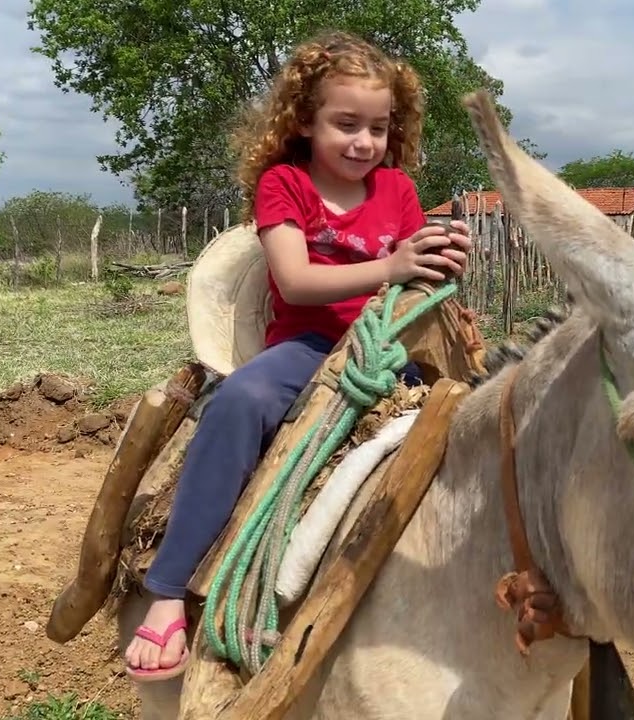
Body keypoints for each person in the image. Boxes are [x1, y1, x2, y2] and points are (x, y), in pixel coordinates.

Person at [123, 30, 472, 681]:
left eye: (378, 126)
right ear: (305, 120)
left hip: (386, 353)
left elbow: (414, 280)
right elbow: (296, 281)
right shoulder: (285, 184)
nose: (363, 142)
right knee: (240, 402)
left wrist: (439, 278)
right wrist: (391, 265)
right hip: (306, 350)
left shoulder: (396, 190)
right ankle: (168, 589)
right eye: (346, 124)